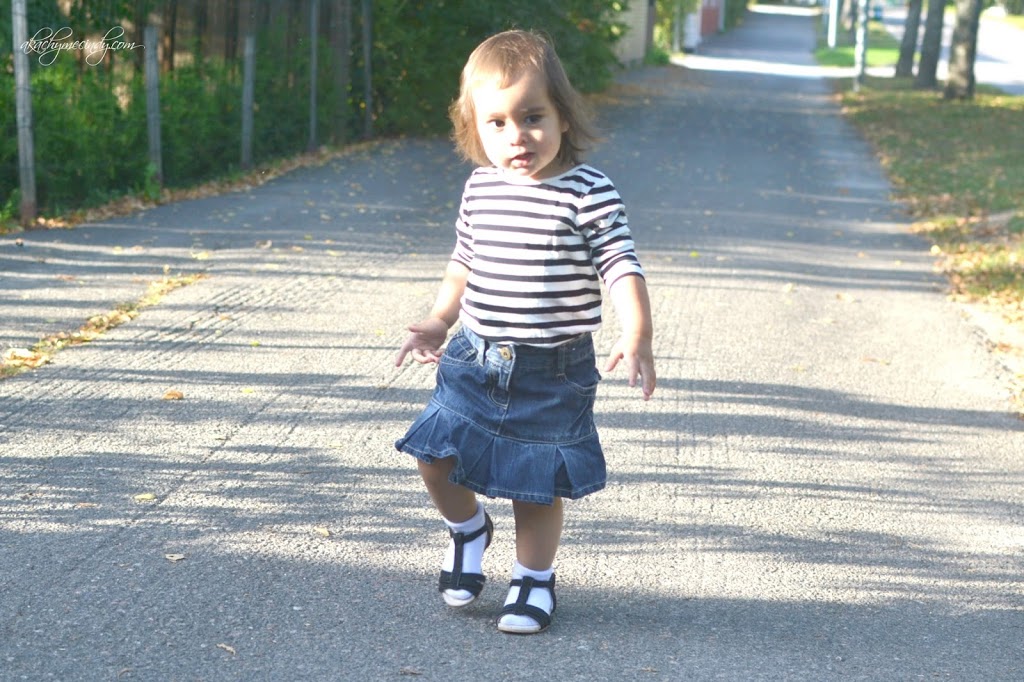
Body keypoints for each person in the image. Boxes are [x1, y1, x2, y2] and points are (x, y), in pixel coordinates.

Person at [394, 29, 655, 635]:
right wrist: (439, 319)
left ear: (562, 114)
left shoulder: (588, 192)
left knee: (534, 486)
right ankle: (467, 531)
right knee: (435, 459)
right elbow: (464, 262)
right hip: (473, 357)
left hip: (552, 370)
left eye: (533, 117)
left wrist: (635, 331)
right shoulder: (481, 187)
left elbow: (621, 265)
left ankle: (534, 579)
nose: (517, 137)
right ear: (474, 129)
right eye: (497, 123)